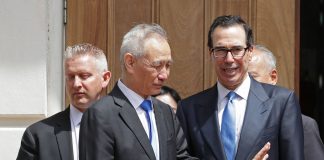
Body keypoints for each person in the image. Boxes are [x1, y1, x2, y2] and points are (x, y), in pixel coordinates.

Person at [176, 15, 304, 160]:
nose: (229, 59)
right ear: (210, 53)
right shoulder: (189, 109)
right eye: (221, 50)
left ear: (249, 52)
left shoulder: (281, 102)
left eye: (237, 49)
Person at [79, 23, 196, 160]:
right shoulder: (101, 114)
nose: (164, 75)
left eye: (168, 65)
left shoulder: (166, 112)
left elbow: (181, 157)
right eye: (157, 65)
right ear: (130, 62)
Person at [16, 43, 111, 160]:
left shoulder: (125, 128)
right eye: (70, 77)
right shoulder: (38, 135)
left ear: (105, 78)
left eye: (84, 76)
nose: (76, 84)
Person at [249, 44, 324, 160]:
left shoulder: (303, 125)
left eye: (252, 77)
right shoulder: (226, 121)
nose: (245, 85)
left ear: (273, 77)